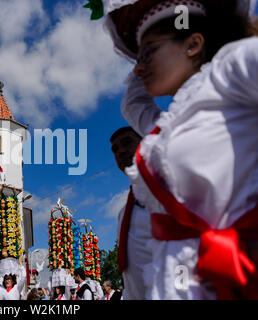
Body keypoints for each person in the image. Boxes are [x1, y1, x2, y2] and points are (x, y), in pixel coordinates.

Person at [104, 0, 258, 299]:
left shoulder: (228, 71)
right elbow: (132, 105)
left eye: (148, 51)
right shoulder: (170, 125)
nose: (138, 66)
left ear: (193, 44)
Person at [110, 127, 153, 300]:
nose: (121, 152)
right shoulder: (123, 214)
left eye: (127, 143)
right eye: (115, 150)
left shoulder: (173, 191)